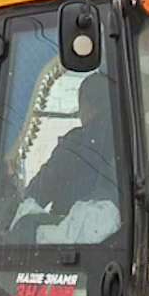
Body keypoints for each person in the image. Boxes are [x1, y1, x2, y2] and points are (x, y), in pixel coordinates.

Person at [23, 73, 119, 217]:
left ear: (86, 108)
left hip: (77, 233)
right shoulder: (140, 138)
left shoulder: (76, 142)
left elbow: (39, 192)